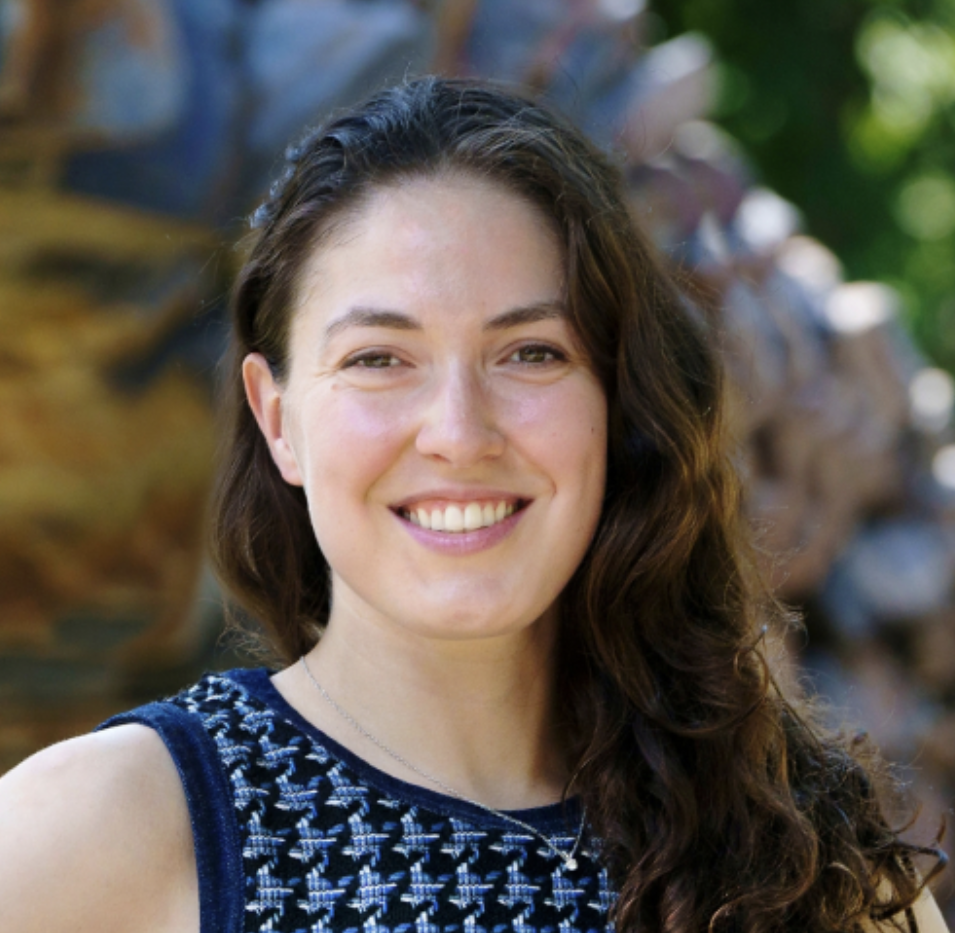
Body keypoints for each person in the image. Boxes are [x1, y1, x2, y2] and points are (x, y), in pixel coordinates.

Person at [0, 76, 948, 933]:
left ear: (617, 400)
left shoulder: (810, 861)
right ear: (277, 418)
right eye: (379, 358)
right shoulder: (114, 826)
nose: (458, 432)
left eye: (530, 352)